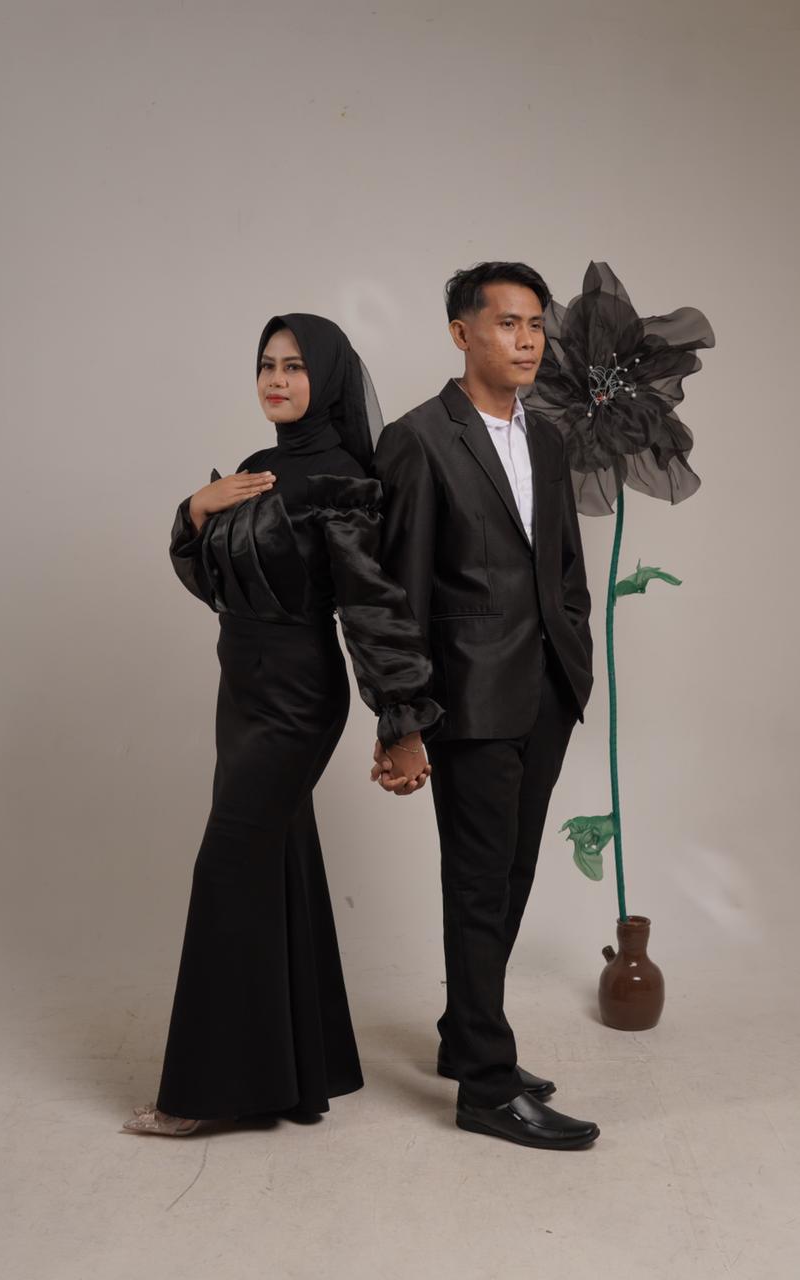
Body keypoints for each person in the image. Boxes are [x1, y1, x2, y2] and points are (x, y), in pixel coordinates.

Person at [123, 314, 442, 1136]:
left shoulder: (342, 479)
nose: (276, 379)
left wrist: (402, 723)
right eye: (266, 364)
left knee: (228, 867)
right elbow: (219, 583)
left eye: (295, 366)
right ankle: (305, 1073)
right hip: (240, 689)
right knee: (278, 861)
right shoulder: (257, 469)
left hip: (296, 696)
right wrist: (195, 508)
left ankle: (198, 1096)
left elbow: (372, 609)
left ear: (326, 378)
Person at [371, 263, 601, 1150]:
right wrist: (402, 720)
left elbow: (565, 567)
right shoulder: (419, 439)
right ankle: (487, 1089)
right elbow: (395, 594)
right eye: (508, 323)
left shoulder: (548, 440)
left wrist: (572, 656)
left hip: (545, 692)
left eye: (536, 324)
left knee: (512, 874)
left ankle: (464, 1036)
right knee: (476, 885)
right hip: (465, 701)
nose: (528, 339)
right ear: (462, 333)